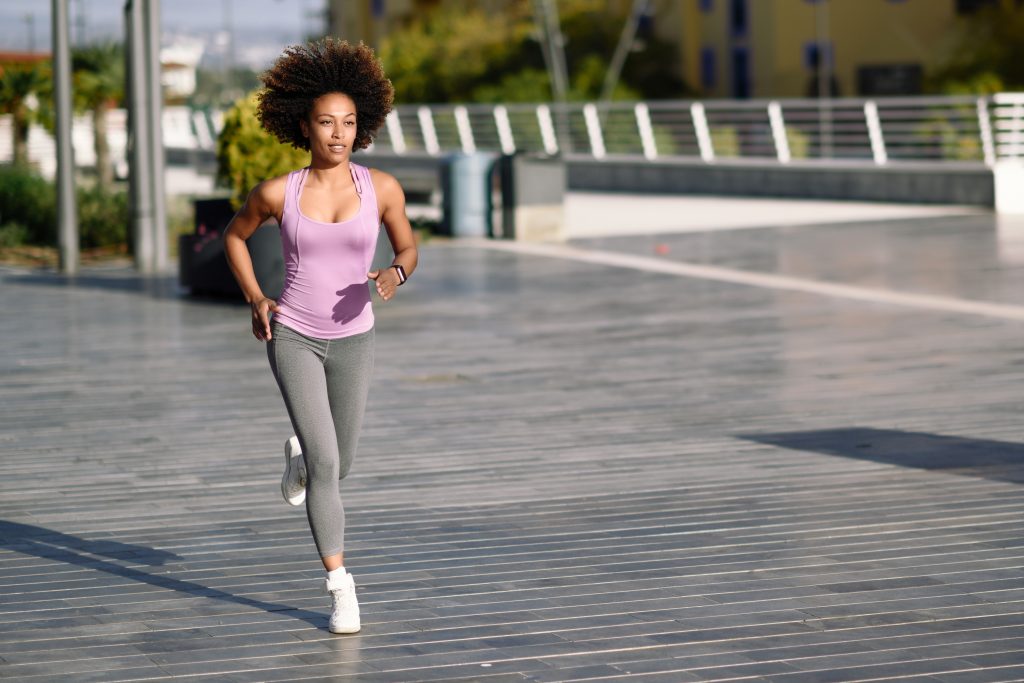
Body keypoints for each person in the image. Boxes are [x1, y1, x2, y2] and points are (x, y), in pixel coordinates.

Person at [223, 39, 417, 634]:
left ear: (363, 128)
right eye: (327, 122)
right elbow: (234, 237)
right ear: (304, 125)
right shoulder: (279, 193)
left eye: (349, 123)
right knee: (330, 466)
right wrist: (258, 297)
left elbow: (408, 245)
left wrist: (395, 271)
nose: (338, 133)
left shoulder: (380, 188)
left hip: (356, 336)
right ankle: (341, 588)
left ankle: (301, 457)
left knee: (341, 462)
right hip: (296, 336)